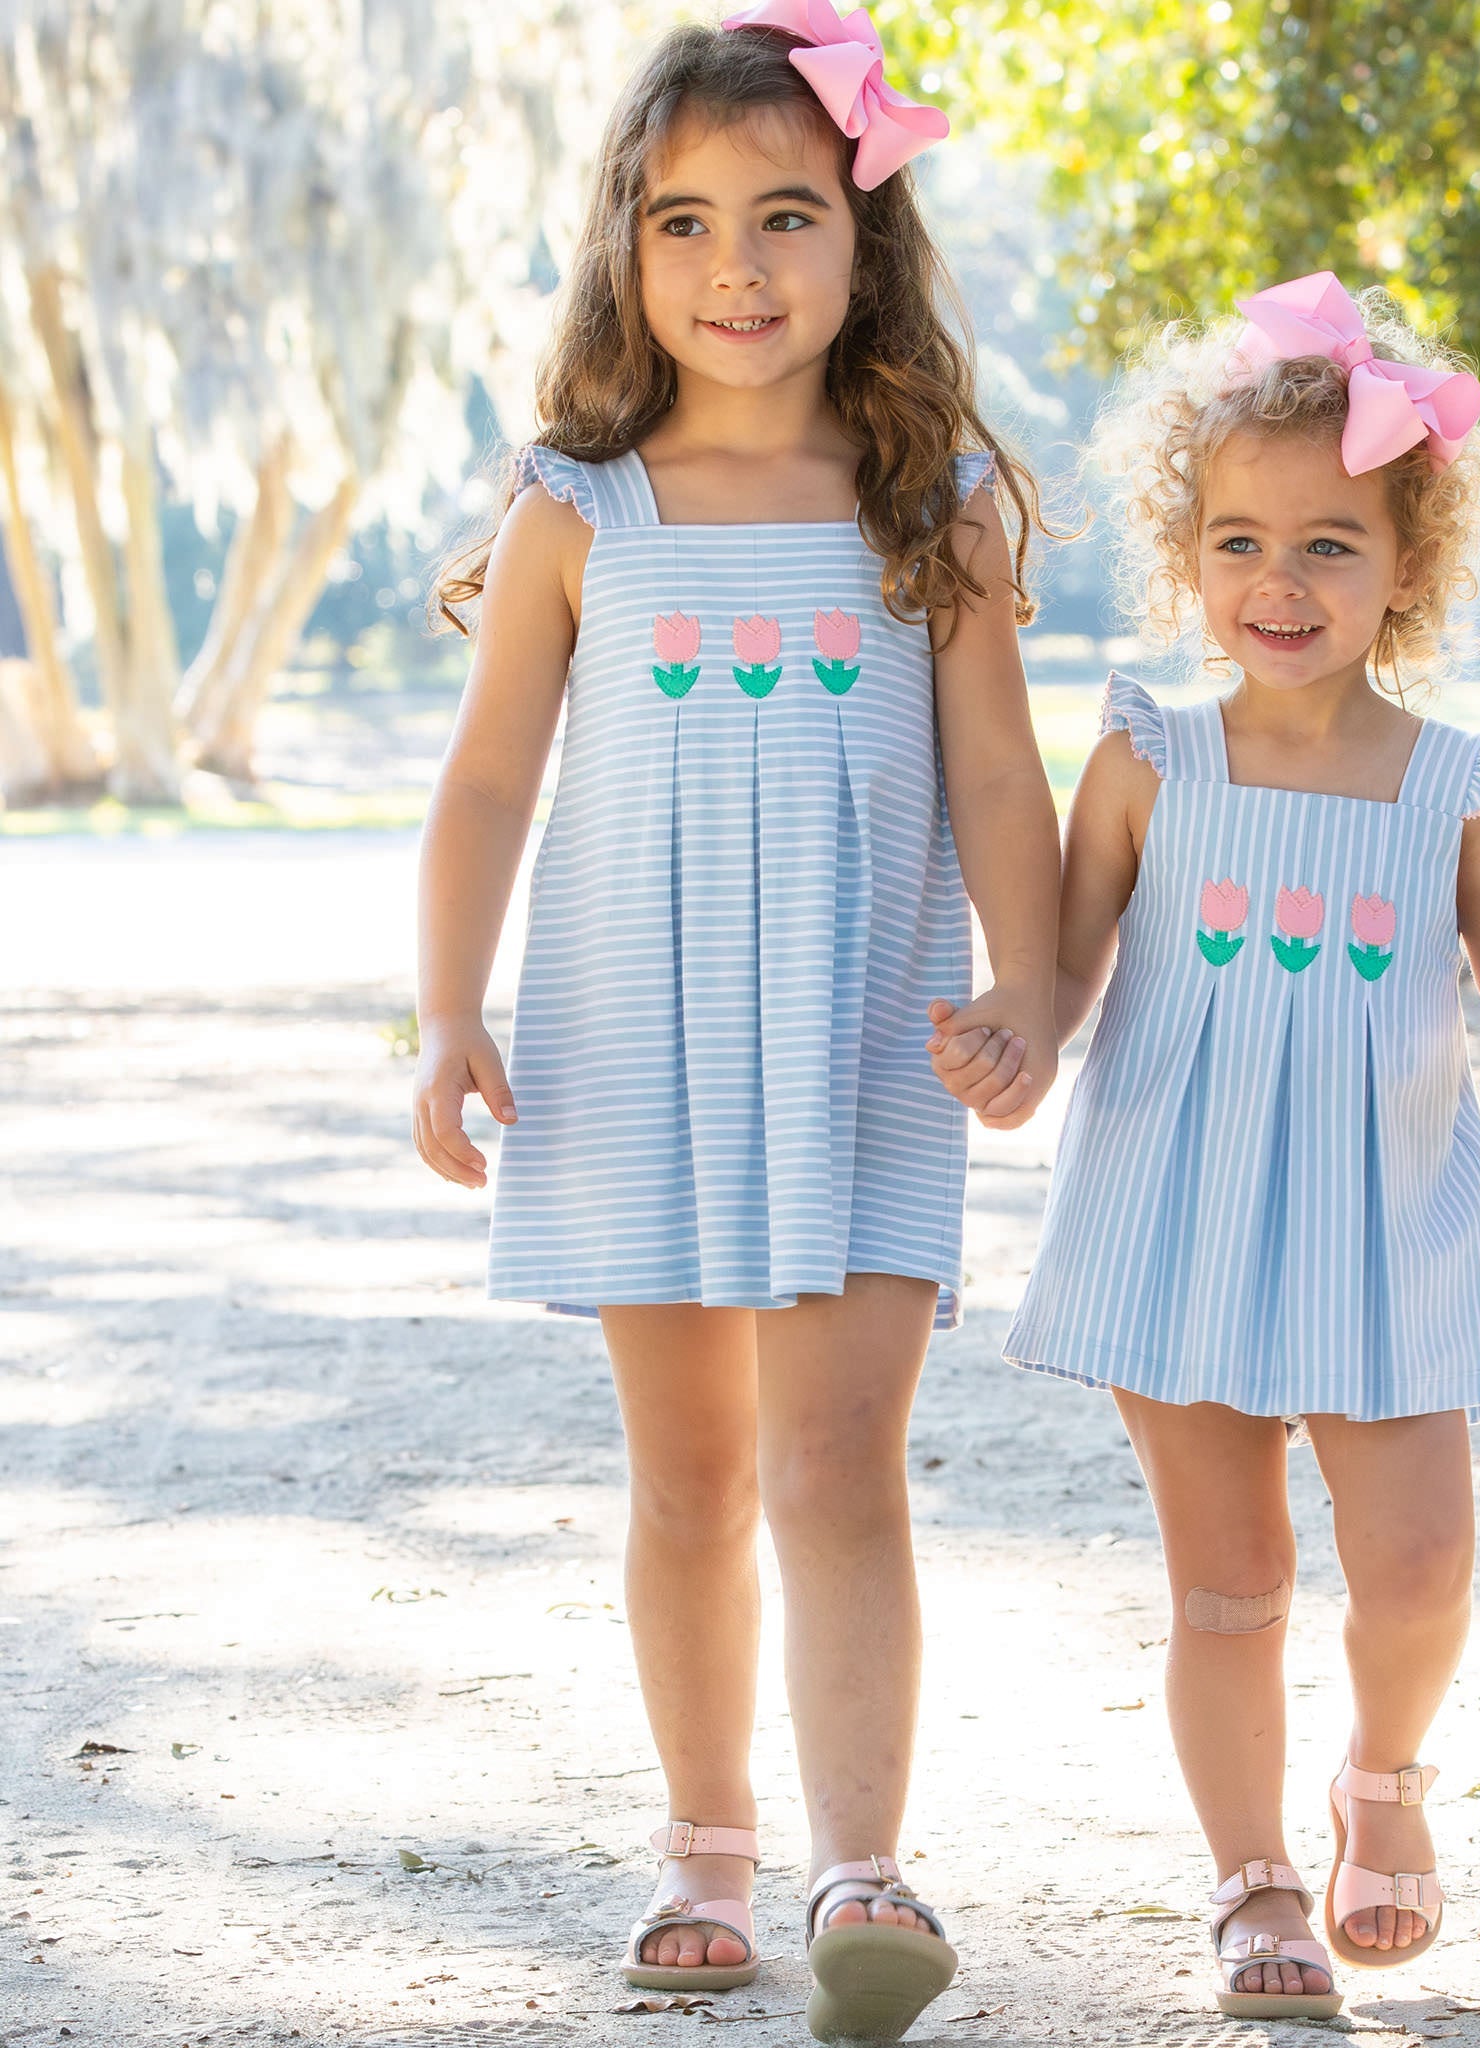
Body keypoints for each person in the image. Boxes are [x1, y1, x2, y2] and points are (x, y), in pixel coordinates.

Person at [412, 8, 1059, 2039]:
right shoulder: (579, 508)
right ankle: (705, 1837)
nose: (737, 267)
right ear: (627, 248)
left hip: (863, 1043)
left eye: (787, 214)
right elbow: (489, 783)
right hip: (637, 1049)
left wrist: (1033, 983)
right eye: (683, 222)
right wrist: (446, 1009)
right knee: (690, 1476)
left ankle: (862, 1862)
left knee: (839, 1462)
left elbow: (1000, 778)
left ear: (869, 242)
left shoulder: (928, 504)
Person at [939, 271, 1480, 2019]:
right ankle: (1256, 1882)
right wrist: (1017, 1032)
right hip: (1184, 1212)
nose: (1278, 584)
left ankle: (1382, 1776)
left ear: (1407, 568)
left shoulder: (1455, 785)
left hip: (1389, 1222)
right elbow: (1067, 966)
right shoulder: (1151, 758)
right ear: (1188, 556)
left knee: (1420, 1569)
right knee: (1232, 1587)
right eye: (1239, 544)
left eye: (1328, 548)